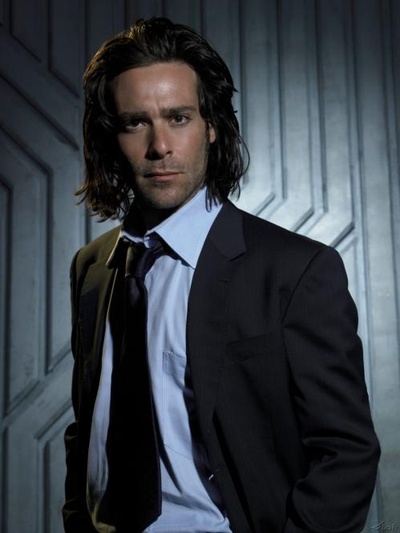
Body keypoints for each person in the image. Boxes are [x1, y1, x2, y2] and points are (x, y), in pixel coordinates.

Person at [62, 16, 380, 533]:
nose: (160, 146)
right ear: (110, 135)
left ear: (211, 124)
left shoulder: (296, 270)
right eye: (135, 122)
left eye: (178, 118)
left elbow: (347, 452)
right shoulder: (92, 268)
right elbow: (90, 426)